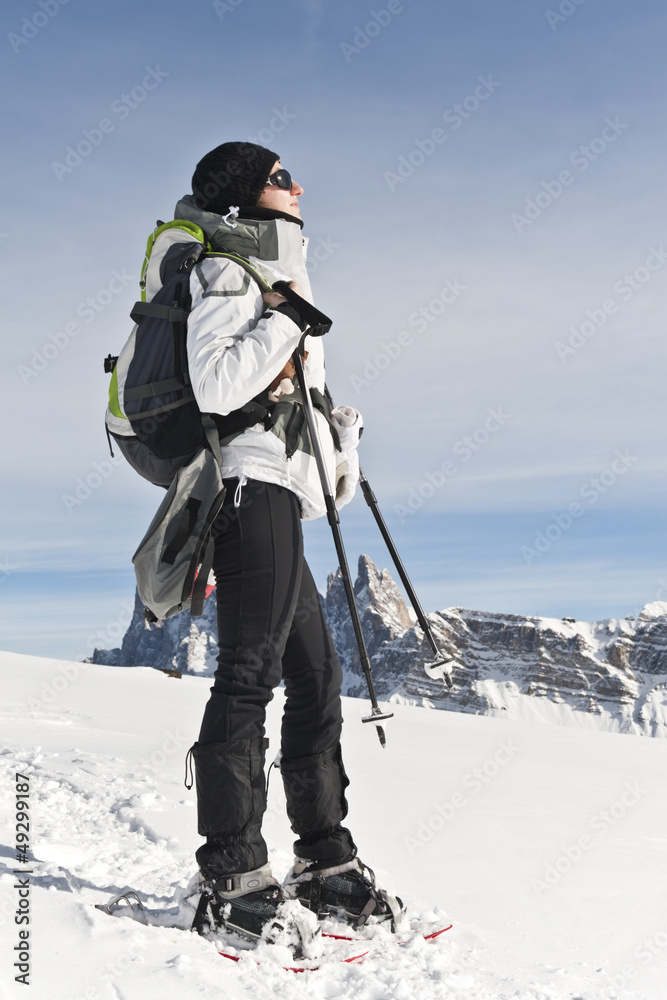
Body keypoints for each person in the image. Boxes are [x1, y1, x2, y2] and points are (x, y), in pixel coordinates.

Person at [176, 142, 402, 943]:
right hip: (248, 484)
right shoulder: (229, 272)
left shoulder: (273, 273)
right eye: (280, 176)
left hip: (283, 487)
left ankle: (324, 860)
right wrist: (287, 316)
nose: (297, 183)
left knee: (317, 674)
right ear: (246, 193)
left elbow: (289, 396)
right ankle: (232, 875)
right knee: (249, 676)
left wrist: (339, 442)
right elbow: (218, 384)